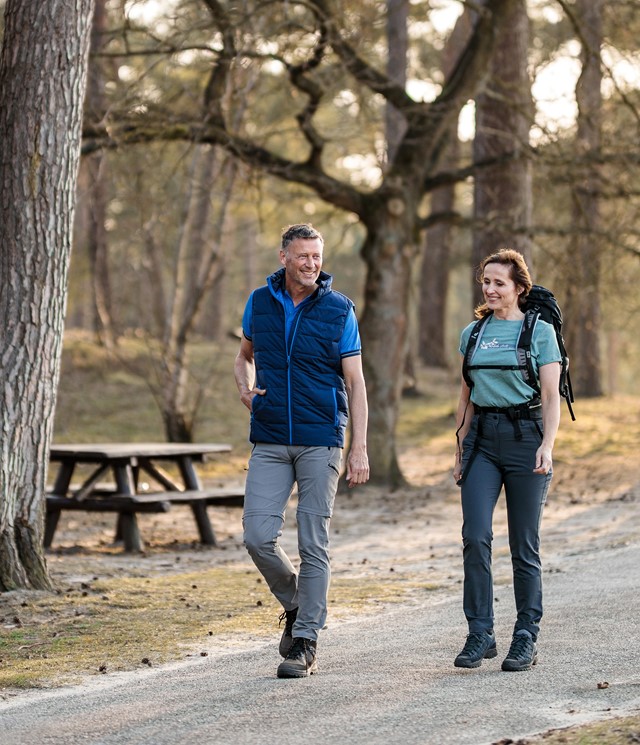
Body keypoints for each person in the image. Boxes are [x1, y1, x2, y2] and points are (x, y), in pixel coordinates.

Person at [234, 223, 370, 679]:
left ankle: (305, 641)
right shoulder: (259, 302)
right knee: (257, 536)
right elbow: (244, 355)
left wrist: (359, 448)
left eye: (317, 255)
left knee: (313, 541)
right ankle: (298, 604)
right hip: (270, 438)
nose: (311, 263)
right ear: (283, 257)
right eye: (302, 256)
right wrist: (245, 387)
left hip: (321, 439)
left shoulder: (339, 310)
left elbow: (355, 383)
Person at [452, 248, 561, 672]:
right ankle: (480, 633)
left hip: (526, 439)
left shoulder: (540, 333)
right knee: (475, 537)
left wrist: (547, 445)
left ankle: (525, 637)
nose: (491, 288)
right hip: (482, 442)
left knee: (523, 544)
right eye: (486, 281)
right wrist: (458, 448)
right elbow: (464, 397)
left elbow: (551, 397)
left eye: (499, 282)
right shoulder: (472, 334)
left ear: (519, 288)